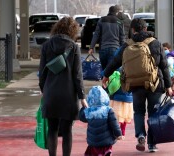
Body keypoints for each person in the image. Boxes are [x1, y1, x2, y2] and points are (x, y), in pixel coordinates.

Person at [102, 18, 173, 153]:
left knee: (139, 112)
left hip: (135, 85)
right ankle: (152, 143)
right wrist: (168, 86)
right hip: (154, 84)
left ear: (133, 30)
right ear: (146, 29)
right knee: (153, 113)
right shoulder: (156, 43)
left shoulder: (127, 44)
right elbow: (164, 66)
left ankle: (140, 135)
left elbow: (115, 61)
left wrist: (106, 75)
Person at [38, 17, 88, 156]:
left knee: (52, 129)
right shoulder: (73, 47)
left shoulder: (46, 46)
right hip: (68, 94)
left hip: (51, 93)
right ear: (72, 31)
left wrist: (45, 90)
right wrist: (82, 96)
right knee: (67, 131)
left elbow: (42, 73)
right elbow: (77, 75)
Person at [79, 86, 124, 156]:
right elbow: (114, 124)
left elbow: (81, 117)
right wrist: (118, 134)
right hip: (106, 141)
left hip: (93, 140)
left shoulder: (89, 111)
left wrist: (84, 107)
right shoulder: (108, 110)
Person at [88, 5, 125, 70]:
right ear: (116, 13)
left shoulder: (102, 20)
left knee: (104, 72)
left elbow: (96, 34)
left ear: (109, 11)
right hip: (115, 49)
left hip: (103, 49)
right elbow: (122, 38)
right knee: (113, 73)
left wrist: (91, 47)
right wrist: (123, 50)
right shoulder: (119, 22)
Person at [107, 70, 133, 137]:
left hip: (116, 98)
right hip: (127, 97)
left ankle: (115, 132)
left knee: (115, 116)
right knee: (124, 115)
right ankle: (122, 132)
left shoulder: (114, 66)